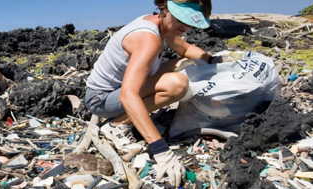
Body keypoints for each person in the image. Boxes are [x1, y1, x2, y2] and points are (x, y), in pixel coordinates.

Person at [84, 0, 218, 186]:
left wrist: (215, 61)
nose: (185, 26)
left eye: (189, 21)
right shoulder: (148, 39)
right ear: (165, 8)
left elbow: (185, 49)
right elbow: (128, 95)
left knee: (186, 63)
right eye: (181, 18)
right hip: (101, 99)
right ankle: (116, 126)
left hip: (118, 90)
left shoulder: (163, 24)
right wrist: (161, 150)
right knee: (177, 84)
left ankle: (124, 119)